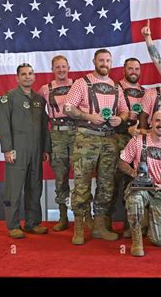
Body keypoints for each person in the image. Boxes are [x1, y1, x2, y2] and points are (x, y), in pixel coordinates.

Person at [65, 49, 129, 245]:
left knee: (106, 184)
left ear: (111, 62)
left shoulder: (116, 87)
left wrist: (121, 118)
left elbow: (125, 111)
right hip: (86, 138)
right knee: (82, 183)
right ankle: (79, 227)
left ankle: (99, 226)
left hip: (109, 139)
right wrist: (88, 116)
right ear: (94, 61)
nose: (104, 63)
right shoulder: (81, 83)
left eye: (107, 60)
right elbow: (68, 107)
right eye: (101, 60)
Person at [118, 111, 161, 257]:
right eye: (157, 121)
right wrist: (133, 173)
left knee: (160, 241)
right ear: (151, 123)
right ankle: (137, 238)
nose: (160, 124)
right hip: (142, 187)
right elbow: (122, 161)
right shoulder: (138, 141)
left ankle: (152, 222)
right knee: (135, 198)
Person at [0, 63, 51, 239]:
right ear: (17, 78)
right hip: (17, 149)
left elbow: (44, 126)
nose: (27, 76)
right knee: (14, 189)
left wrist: (45, 148)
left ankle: (32, 223)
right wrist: (7, 149)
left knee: (35, 187)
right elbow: (3, 124)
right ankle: (13, 225)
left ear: (34, 77)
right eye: (23, 74)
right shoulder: (9, 98)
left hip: (36, 149)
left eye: (30, 73)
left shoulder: (39, 100)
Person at [38, 55, 80, 232]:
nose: (61, 70)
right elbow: (39, 117)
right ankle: (63, 216)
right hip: (56, 136)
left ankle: (81, 217)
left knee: (80, 177)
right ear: (52, 69)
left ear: (69, 67)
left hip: (77, 134)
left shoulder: (78, 85)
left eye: (64, 66)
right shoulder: (44, 90)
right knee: (60, 179)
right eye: (57, 67)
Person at [112, 57, 146, 238]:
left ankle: (130, 224)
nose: (133, 71)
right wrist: (126, 128)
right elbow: (108, 115)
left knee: (132, 180)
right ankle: (105, 224)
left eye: (136, 69)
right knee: (112, 180)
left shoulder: (144, 92)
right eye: (130, 68)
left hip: (138, 140)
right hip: (118, 137)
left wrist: (139, 130)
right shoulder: (115, 89)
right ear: (124, 70)